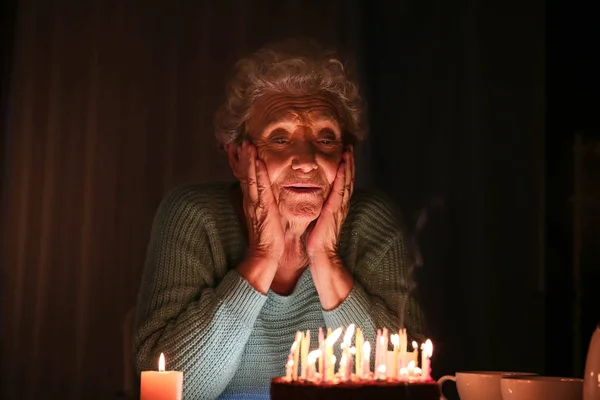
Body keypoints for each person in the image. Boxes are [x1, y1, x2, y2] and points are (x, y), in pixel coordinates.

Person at [133, 39, 426, 399]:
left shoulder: (372, 221)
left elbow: (405, 386)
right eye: (280, 137)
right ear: (237, 156)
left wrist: (326, 260)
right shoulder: (194, 215)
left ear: (346, 159)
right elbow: (174, 390)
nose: (306, 159)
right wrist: (263, 256)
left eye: (326, 137)